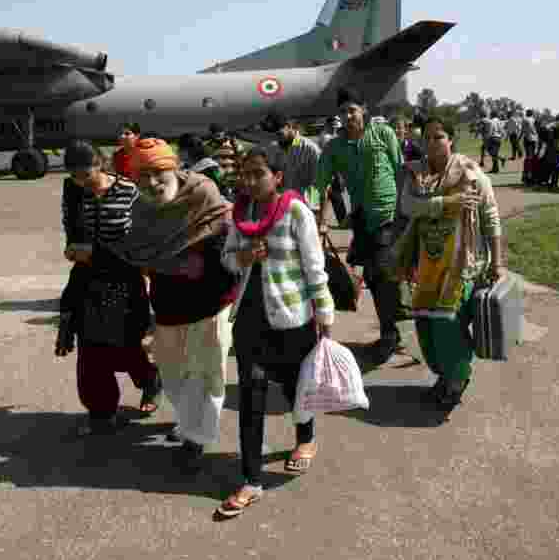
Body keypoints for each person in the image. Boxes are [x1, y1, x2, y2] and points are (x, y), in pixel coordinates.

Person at [217, 146, 334, 518]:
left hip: (293, 319)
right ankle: (251, 479)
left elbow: (315, 267)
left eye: (258, 174)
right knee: (251, 394)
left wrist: (326, 315)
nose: (249, 182)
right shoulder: (240, 213)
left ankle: (306, 438)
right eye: (245, 175)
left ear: (278, 177)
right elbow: (227, 258)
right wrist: (243, 257)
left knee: (295, 385)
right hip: (250, 318)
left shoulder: (296, 211)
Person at [127, 138, 238, 469]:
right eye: (142, 175)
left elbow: (226, 229)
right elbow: (139, 249)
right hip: (168, 305)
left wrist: (205, 262)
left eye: (158, 172)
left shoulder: (202, 191)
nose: (151, 182)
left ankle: (196, 439)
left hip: (212, 303)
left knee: (207, 376)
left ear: (174, 167)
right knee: (175, 377)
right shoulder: (140, 206)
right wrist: (169, 266)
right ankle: (189, 424)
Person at [394, 115, 504, 409]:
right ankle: (444, 377)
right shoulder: (415, 174)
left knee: (449, 329)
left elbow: (490, 218)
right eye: (426, 138)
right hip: (426, 266)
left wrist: (498, 263)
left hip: (460, 266)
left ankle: (456, 382)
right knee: (426, 328)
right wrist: (446, 203)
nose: (431, 143)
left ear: (451, 139)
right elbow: (407, 206)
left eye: (438, 137)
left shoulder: (470, 174)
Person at [55, 141, 161, 436]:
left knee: (129, 344)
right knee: (91, 350)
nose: (80, 180)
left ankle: (150, 380)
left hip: (126, 278)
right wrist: (72, 250)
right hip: (89, 279)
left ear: (100, 164)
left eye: (85, 173)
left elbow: (144, 231)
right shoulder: (75, 193)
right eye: (74, 175)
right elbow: (70, 231)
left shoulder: (129, 190)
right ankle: (101, 412)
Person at [315, 89, 404, 365]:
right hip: (363, 220)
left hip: (389, 217)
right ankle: (392, 326)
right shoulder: (333, 148)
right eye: (343, 112)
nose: (348, 116)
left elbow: (400, 171)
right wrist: (321, 221)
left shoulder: (383, 134)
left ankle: (390, 333)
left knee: (382, 273)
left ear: (363, 110)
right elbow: (322, 185)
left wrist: (406, 213)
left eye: (353, 110)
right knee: (376, 279)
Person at [266, 114, 323, 211]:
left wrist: (314, 207)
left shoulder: (310, 148)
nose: (277, 138)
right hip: (283, 206)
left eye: (279, 134)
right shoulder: (273, 148)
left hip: (305, 206)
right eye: (274, 134)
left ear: (288, 126)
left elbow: (318, 181)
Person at [178, 133, 230, 199]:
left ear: (187, 150)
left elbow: (223, 191)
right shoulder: (188, 167)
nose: (178, 152)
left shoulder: (210, 168)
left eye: (180, 149)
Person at [319, 116, 349, 227]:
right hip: (329, 170)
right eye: (333, 126)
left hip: (335, 169)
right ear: (328, 125)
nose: (335, 128)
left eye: (336, 126)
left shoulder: (333, 135)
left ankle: (338, 220)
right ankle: (340, 221)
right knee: (332, 196)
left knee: (334, 196)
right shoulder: (326, 137)